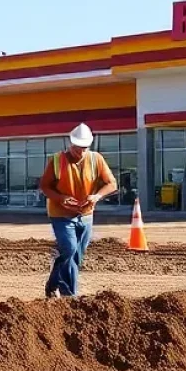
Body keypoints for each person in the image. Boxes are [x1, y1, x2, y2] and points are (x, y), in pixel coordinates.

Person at [38, 123, 117, 298]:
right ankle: (69, 296)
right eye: (78, 148)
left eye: (84, 148)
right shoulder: (57, 161)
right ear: (71, 144)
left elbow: (112, 184)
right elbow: (44, 186)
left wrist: (97, 196)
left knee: (76, 256)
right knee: (70, 249)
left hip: (86, 215)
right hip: (61, 215)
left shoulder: (96, 159)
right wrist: (61, 198)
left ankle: (52, 284)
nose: (81, 151)